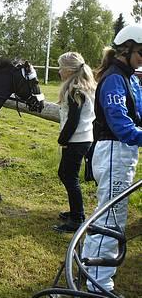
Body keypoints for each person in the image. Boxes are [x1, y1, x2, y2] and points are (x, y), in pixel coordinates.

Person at [81, 24, 142, 297]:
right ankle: (99, 284)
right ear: (126, 49)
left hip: (121, 152)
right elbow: (122, 126)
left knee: (107, 214)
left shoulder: (130, 78)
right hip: (115, 150)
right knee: (111, 219)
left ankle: (88, 268)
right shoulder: (115, 79)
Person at [53, 52, 96, 233]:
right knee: (65, 174)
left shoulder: (74, 90)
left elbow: (73, 120)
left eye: (61, 67)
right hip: (83, 138)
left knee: (69, 176)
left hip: (76, 140)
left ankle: (77, 218)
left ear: (69, 70)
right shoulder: (84, 87)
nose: (59, 71)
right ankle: (75, 211)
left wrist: (62, 139)